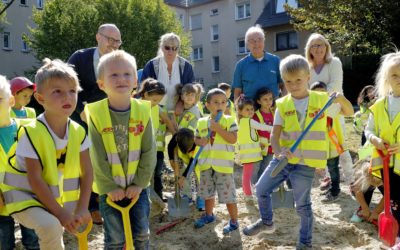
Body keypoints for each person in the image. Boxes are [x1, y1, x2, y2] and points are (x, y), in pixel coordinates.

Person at [242, 55, 353, 250]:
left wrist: (340, 97)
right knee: (260, 189)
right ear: (282, 81)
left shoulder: (321, 100)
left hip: (306, 164)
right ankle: (267, 221)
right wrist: (278, 151)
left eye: (298, 80)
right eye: (288, 81)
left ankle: (304, 243)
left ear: (308, 77)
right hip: (284, 160)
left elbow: (349, 112)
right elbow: (274, 136)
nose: (293, 85)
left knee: (303, 205)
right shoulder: (282, 104)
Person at [2, 59, 93, 250]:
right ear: (41, 98)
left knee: (53, 232)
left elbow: (87, 172)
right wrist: (61, 214)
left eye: (72, 91)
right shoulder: (31, 132)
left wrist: (83, 207)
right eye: (57, 91)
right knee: (50, 226)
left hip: (53, 198)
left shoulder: (78, 131)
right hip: (24, 196)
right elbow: (34, 179)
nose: (67, 97)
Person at [85, 50, 156, 249]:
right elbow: (96, 155)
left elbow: (149, 151)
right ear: (102, 84)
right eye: (113, 75)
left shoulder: (143, 110)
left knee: (141, 234)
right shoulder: (96, 114)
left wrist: (140, 183)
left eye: (127, 74)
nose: (121, 79)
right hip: (109, 191)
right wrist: (109, 186)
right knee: (115, 238)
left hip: (138, 188)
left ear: (135, 80)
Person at [68, 23, 122, 224]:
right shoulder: (79, 57)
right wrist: (81, 109)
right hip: (79, 115)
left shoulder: (118, 60)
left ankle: (105, 199)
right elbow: (69, 83)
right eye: (111, 39)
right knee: (86, 160)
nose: (114, 45)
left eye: (118, 41)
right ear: (98, 37)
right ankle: (90, 206)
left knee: (106, 158)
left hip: (107, 116)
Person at [365, 51, 400, 249]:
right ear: (387, 78)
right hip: (388, 166)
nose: (399, 79)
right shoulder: (379, 106)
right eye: (395, 75)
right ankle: (396, 238)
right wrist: (375, 139)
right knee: (393, 201)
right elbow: (368, 129)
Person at [0, 75, 39, 250]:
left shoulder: (28, 128)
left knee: (31, 238)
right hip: (1, 204)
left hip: (26, 196)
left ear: (10, 101)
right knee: (4, 241)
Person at [193, 88, 239, 234]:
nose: (220, 105)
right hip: (206, 165)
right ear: (207, 105)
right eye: (216, 102)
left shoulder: (230, 120)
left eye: (223, 102)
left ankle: (234, 221)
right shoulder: (201, 122)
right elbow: (196, 139)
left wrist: (218, 128)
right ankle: (209, 215)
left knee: (228, 195)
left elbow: (233, 139)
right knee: (207, 193)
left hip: (223, 166)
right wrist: (200, 141)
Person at [136, 78, 174, 200]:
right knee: (142, 174)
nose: (156, 103)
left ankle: (157, 197)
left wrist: (175, 134)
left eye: (159, 100)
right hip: (137, 148)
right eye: (155, 100)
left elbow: (167, 120)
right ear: (145, 94)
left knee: (155, 173)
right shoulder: (135, 105)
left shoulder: (156, 108)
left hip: (152, 147)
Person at [310, 81, 346, 202]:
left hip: (331, 143)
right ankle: (331, 187)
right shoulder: (311, 108)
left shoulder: (332, 106)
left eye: (322, 93)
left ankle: (335, 190)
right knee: (325, 167)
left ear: (326, 93)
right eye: (316, 93)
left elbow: (346, 112)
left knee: (333, 168)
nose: (319, 96)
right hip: (319, 144)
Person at [141, 32, 194, 113]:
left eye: (174, 48)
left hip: (180, 112)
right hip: (155, 111)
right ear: (161, 47)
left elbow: (192, 90)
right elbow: (143, 92)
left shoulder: (186, 67)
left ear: (178, 49)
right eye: (167, 48)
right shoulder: (151, 65)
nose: (170, 51)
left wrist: (181, 103)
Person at [233, 25, 283, 101]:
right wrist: (238, 110)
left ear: (264, 41)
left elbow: (283, 85)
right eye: (252, 41)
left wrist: (283, 105)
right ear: (247, 44)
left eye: (260, 40)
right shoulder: (241, 65)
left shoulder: (276, 61)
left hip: (273, 109)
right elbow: (237, 92)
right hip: (250, 110)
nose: (256, 43)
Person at [236, 96, 272, 200]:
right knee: (247, 176)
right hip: (250, 155)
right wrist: (275, 128)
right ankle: (248, 195)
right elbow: (263, 127)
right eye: (247, 109)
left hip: (245, 154)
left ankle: (247, 192)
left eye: (252, 109)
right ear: (240, 111)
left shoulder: (241, 122)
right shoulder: (249, 121)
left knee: (247, 175)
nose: (250, 111)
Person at [253, 87, 275, 179]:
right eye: (265, 99)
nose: (268, 101)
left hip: (271, 149)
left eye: (270, 99)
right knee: (256, 169)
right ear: (258, 101)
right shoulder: (255, 115)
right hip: (258, 149)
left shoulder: (275, 112)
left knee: (266, 169)